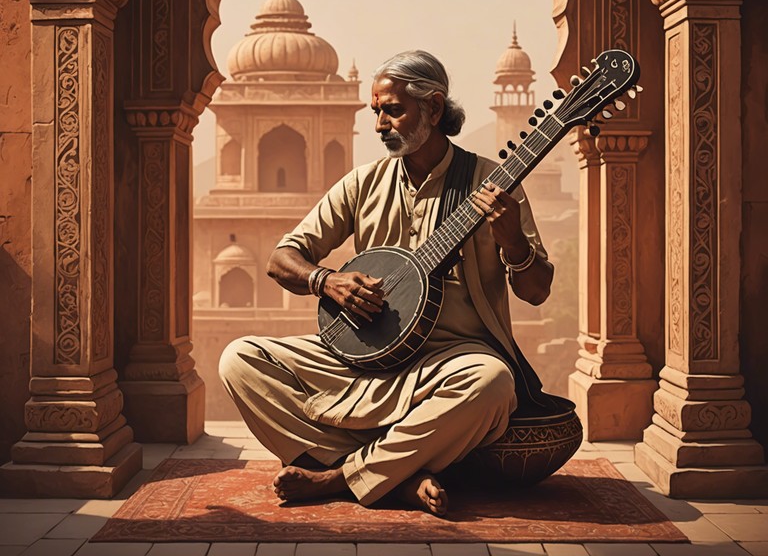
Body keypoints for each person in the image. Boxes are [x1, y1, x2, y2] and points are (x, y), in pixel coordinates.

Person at [219, 50, 554, 515]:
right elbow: (281, 259)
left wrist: (513, 240)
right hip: (365, 359)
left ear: (434, 109)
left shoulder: (491, 185)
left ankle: (341, 475)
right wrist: (326, 280)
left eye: (392, 110)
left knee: (493, 383)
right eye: (376, 111)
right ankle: (398, 477)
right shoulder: (364, 183)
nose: (379, 123)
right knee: (239, 360)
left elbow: (536, 291)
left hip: (449, 365)